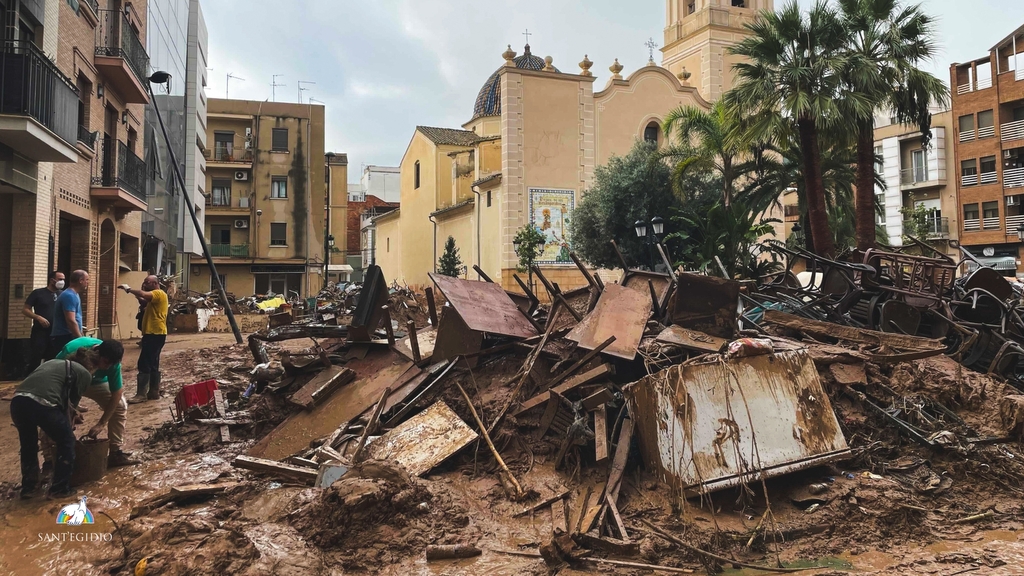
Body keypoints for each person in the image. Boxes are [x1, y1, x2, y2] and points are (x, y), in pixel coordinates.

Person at [10, 341, 124, 499]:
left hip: (18, 402)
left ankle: (29, 488)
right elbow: (67, 409)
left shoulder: (55, 363)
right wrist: (69, 422)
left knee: (28, 445)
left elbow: (64, 401)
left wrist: (71, 414)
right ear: (93, 362)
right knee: (67, 440)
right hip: (43, 404)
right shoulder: (83, 374)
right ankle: (59, 488)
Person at [56, 337, 135, 467]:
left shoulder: (112, 363)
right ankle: (50, 459)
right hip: (68, 382)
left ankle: (115, 453)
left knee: (120, 406)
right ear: (97, 352)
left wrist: (101, 423)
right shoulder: (71, 350)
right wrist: (71, 408)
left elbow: (116, 393)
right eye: (105, 362)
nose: (107, 367)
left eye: (111, 365)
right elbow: (56, 378)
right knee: (52, 411)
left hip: (96, 383)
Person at [122, 276, 168, 404]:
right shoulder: (157, 296)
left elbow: (143, 294)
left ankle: (141, 394)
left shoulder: (158, 293)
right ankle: (153, 392)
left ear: (155, 283)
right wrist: (136, 296)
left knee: (144, 363)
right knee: (153, 362)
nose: (144, 284)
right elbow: (144, 301)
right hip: (157, 333)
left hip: (154, 333)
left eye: (147, 282)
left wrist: (129, 289)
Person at [22, 271, 65, 374]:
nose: (62, 282)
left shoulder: (63, 294)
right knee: (36, 355)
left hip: (56, 331)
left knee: (53, 355)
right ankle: (30, 376)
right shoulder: (38, 293)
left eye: (63, 279)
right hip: (40, 331)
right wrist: (38, 317)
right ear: (52, 280)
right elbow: (25, 309)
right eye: (60, 279)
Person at [51, 270, 89, 353]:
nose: (87, 282)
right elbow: (70, 320)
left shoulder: (75, 294)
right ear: (80, 281)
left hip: (70, 335)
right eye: (87, 280)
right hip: (65, 336)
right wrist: (80, 339)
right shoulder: (69, 295)